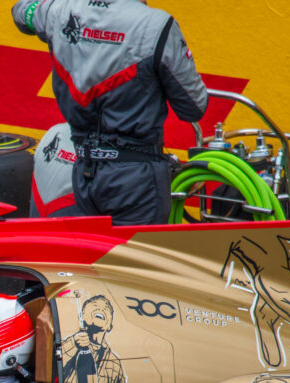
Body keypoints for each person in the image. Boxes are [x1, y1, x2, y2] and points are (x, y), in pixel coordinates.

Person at [12, 0, 208, 225]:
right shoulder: (157, 25)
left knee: (92, 257)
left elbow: (22, 11)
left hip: (84, 171)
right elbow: (194, 107)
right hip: (136, 179)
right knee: (139, 259)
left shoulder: (58, 10)